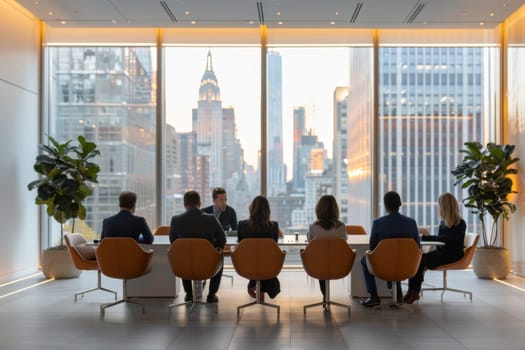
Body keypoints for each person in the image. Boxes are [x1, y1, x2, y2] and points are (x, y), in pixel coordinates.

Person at [360, 191, 421, 307]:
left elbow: (372, 248)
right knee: (395, 258)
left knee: (365, 260)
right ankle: (397, 295)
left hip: (384, 265)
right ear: (400, 204)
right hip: (407, 265)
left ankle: (374, 297)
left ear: (385, 205)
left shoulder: (378, 223)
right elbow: (418, 247)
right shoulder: (411, 222)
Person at [403, 192, 466, 303]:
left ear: (445, 207)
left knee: (420, 261)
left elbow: (445, 240)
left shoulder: (460, 224)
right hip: (441, 253)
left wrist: (426, 238)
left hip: (452, 255)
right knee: (417, 260)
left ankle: (414, 292)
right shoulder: (444, 222)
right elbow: (441, 238)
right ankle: (412, 291)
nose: (439, 208)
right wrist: (423, 237)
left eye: (440, 205)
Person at [169, 191, 226, 303]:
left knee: (183, 255)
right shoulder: (211, 219)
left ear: (185, 204)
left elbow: (173, 242)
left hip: (185, 265)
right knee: (220, 256)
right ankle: (211, 295)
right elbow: (222, 241)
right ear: (199, 204)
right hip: (207, 264)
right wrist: (212, 246)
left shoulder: (176, 220)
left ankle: (189, 294)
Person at [237, 195, 281, 300]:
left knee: (256, 261)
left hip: (246, 265)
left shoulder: (242, 225)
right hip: (268, 265)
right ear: (268, 211)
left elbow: (241, 245)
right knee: (263, 261)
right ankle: (259, 287)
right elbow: (274, 245)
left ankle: (254, 284)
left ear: (251, 209)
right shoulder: (273, 226)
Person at [307, 195, 347, 297]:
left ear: (318, 209)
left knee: (321, 260)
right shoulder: (341, 227)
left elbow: (310, 246)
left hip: (318, 265)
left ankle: (325, 296)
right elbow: (343, 246)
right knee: (326, 259)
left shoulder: (314, 227)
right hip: (339, 265)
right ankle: (326, 297)